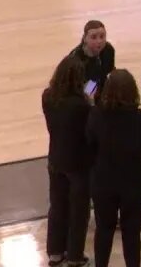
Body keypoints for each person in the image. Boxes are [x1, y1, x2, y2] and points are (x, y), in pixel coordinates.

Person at [86, 69, 141, 267]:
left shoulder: (95, 116)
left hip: (103, 182)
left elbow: (88, 147)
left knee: (104, 229)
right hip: (134, 182)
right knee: (132, 233)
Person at [43, 54, 92, 267]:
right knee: (79, 212)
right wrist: (91, 96)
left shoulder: (47, 96)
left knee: (57, 207)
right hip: (78, 164)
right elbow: (88, 131)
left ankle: (55, 253)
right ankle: (74, 256)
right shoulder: (82, 105)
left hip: (55, 158)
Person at [69, 20, 115, 95]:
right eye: (94, 37)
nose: (99, 41)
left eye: (102, 36)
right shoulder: (75, 58)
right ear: (85, 38)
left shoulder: (109, 50)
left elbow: (109, 72)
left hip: (100, 87)